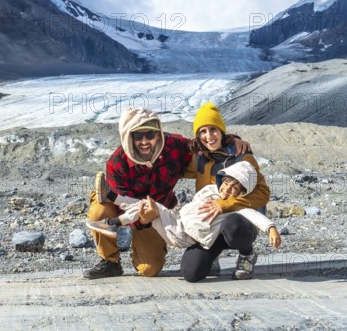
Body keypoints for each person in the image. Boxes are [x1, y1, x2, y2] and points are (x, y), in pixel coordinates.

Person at [83, 107, 249, 280]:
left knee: (149, 269)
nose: (145, 141)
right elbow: (125, 205)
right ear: (128, 136)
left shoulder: (173, 145)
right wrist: (139, 216)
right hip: (121, 203)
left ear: (158, 134)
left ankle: (132, 238)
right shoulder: (117, 162)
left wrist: (232, 140)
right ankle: (110, 261)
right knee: (99, 211)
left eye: (151, 135)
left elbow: (203, 143)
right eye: (138, 136)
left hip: (156, 212)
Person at [87, 161, 281, 265]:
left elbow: (253, 214)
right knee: (147, 205)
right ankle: (112, 200)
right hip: (178, 221)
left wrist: (271, 228)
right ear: (222, 180)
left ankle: (113, 220)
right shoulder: (210, 190)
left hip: (185, 237)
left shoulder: (235, 205)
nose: (228, 190)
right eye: (228, 183)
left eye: (235, 189)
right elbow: (195, 203)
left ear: (241, 193)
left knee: (146, 207)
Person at [180, 102, 271, 282]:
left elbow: (263, 193)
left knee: (232, 224)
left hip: (241, 221)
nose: (209, 136)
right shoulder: (199, 160)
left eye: (213, 130)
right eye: (202, 132)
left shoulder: (242, 157)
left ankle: (247, 255)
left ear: (221, 131)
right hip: (210, 225)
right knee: (191, 273)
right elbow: (172, 163)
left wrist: (225, 204)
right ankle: (213, 255)